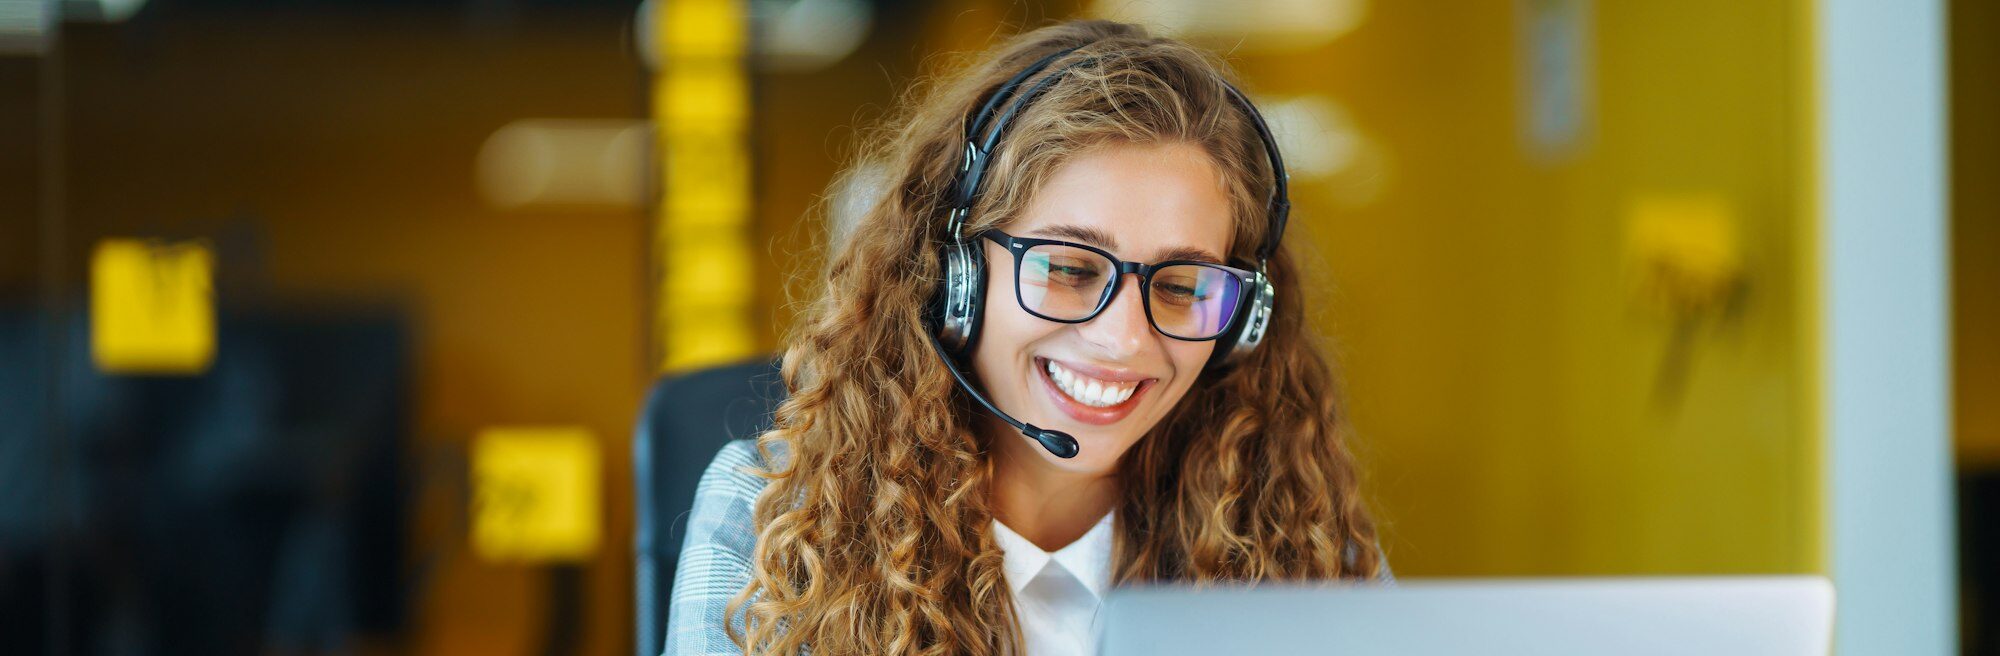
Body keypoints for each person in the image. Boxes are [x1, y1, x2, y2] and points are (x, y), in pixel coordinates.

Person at [663, 19, 1389, 656]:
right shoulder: (776, 519)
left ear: (1243, 319)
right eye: (1069, 269)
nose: (1124, 339)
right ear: (954, 276)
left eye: (1180, 286)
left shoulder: (1303, 540)